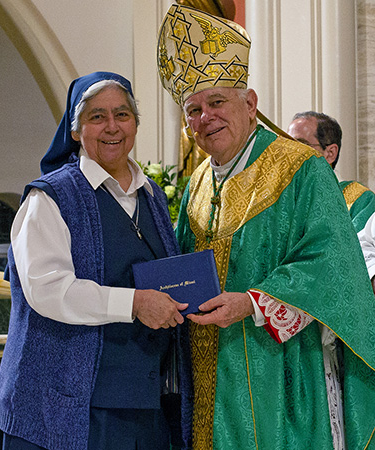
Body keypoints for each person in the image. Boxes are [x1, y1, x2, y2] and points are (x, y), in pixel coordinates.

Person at [157, 5, 375, 450]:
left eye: (217, 102)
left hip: (279, 371)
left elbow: (333, 268)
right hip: (206, 374)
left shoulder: (300, 168)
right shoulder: (197, 181)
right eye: (193, 109)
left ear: (250, 103)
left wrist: (253, 302)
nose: (205, 118)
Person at [0, 71, 193, 450]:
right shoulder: (50, 198)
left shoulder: (152, 198)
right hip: (68, 411)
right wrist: (134, 304)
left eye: (122, 114)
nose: (112, 127)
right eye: (97, 116)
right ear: (75, 129)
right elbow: (48, 290)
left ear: (135, 124)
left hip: (145, 408)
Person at [287, 111, 375, 291]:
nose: (291, 154)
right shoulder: (283, 200)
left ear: (330, 153)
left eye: (301, 145)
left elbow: (357, 259)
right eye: (288, 145)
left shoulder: (358, 199)